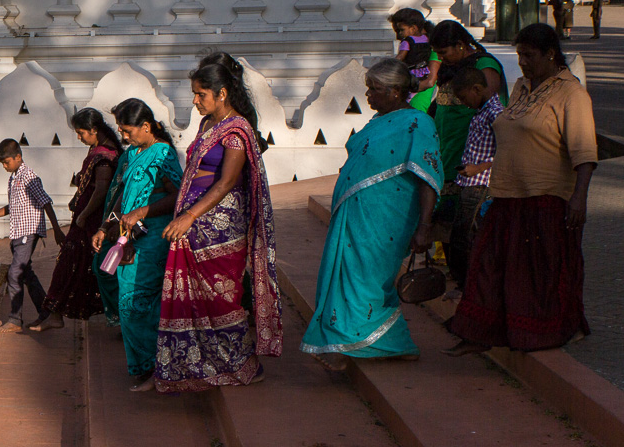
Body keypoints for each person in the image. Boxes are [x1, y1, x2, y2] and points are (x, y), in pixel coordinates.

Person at [447, 23, 597, 354]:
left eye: (528, 55)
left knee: (543, 272)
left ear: (550, 54)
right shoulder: (520, 88)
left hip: (547, 196)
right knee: (491, 264)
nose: (523, 62)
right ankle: (480, 332)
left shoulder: (572, 94)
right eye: (519, 55)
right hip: (506, 193)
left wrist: (579, 198)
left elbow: (584, 152)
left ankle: (545, 332)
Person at [301, 59, 441, 367]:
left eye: (374, 89)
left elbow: (428, 176)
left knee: (369, 280)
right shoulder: (378, 121)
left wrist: (425, 226)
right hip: (354, 213)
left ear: (394, 92)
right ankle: (380, 342)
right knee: (349, 276)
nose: (368, 95)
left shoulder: (418, 123)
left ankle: (359, 344)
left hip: (387, 218)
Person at [155, 55, 283, 392]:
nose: (195, 101)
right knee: (195, 298)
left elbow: (226, 182)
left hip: (219, 227)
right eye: (194, 94)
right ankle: (200, 365)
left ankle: (243, 364)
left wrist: (189, 215)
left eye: (201, 94)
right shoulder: (207, 124)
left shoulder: (237, 131)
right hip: (194, 224)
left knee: (221, 297)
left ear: (222, 92)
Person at [91, 100, 183, 391]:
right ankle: (149, 366)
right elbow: (123, 196)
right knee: (129, 298)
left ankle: (156, 367)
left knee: (137, 301)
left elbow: (177, 195)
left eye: (128, 130)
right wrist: (106, 226)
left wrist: (143, 212)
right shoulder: (132, 154)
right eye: (120, 131)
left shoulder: (163, 154)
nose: (124, 137)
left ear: (146, 126)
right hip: (127, 233)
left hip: (153, 236)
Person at [41, 108, 122, 328]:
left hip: (91, 220)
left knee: (75, 265)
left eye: (81, 132)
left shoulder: (105, 155)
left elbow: (101, 190)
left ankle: (59, 313)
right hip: (86, 218)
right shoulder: (98, 150)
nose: (78, 137)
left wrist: (83, 215)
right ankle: (56, 313)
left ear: (94, 130)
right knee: (73, 265)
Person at [0, 138, 66, 332]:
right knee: (25, 274)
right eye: (2, 163)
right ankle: (48, 313)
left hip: (28, 232)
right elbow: (13, 206)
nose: (5, 166)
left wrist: (56, 229)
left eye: (7, 162)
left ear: (18, 157)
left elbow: (45, 202)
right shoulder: (14, 178)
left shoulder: (28, 176)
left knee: (14, 273)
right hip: (18, 232)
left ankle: (15, 319)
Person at [444, 67, 503, 288]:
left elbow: (506, 150)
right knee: (461, 235)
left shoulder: (495, 113)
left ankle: (470, 285)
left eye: (463, 97)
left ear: (476, 89)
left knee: (466, 237)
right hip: (469, 182)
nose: (463, 102)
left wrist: (479, 168)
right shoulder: (481, 111)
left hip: (481, 183)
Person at [429, 21, 507, 186]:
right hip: (446, 149)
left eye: (443, 52)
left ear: (460, 45)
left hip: (471, 160)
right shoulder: (450, 68)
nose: (440, 58)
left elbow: (489, 107)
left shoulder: (484, 65)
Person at [390, 8, 439, 112]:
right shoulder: (425, 42)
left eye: (400, 30)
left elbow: (430, 82)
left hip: (420, 96)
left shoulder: (434, 48)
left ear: (413, 28)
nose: (399, 36)